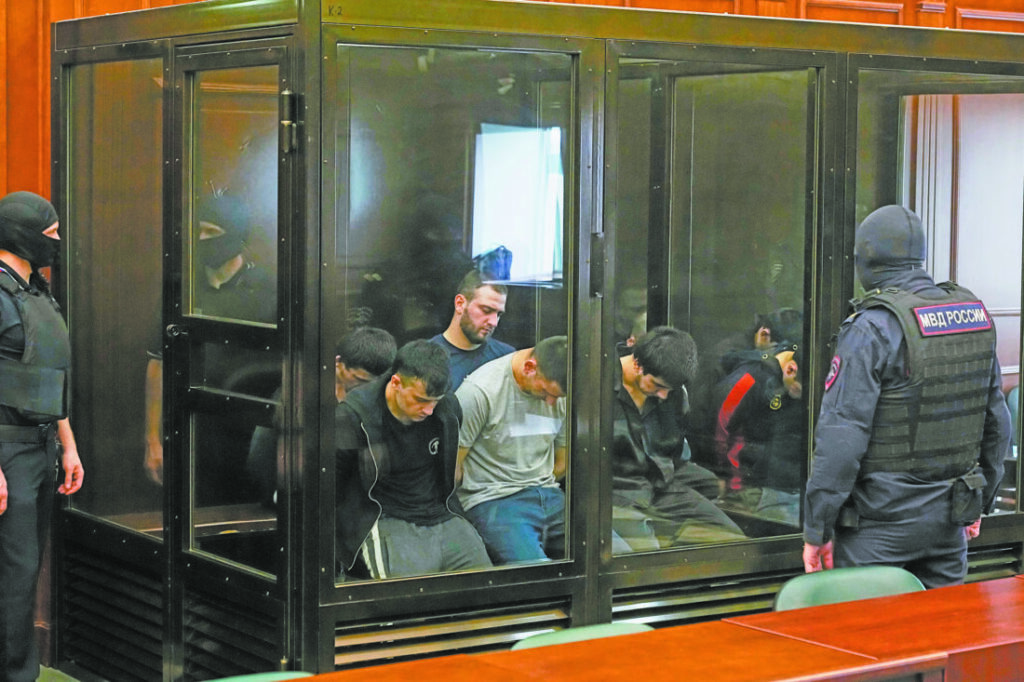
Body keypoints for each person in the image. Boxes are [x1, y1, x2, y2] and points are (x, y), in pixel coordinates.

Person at [803, 205, 1011, 588]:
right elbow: (997, 424)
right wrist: (980, 502)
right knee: (942, 627)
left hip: (877, 528)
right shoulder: (973, 318)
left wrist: (817, 528)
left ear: (866, 261)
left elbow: (841, 439)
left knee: (864, 628)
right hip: (949, 523)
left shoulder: (870, 328)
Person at [0, 191, 84, 682]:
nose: (57, 241)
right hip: (6, 451)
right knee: (13, 575)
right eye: (50, 233)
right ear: (21, 234)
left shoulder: (36, 291)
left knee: (24, 571)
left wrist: (68, 445)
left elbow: (50, 379)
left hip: (41, 445)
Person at [144, 194, 276, 486]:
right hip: (192, 428)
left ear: (236, 235)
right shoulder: (183, 288)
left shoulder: (267, 289)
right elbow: (158, 362)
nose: (202, 239)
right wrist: (152, 439)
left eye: (212, 232)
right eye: (198, 231)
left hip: (251, 430)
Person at [335, 340, 491, 579]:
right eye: (420, 400)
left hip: (441, 511)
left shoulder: (447, 410)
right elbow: (332, 483)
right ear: (396, 383)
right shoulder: (355, 416)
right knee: (406, 593)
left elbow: (449, 471)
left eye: (435, 400)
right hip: (383, 514)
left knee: (486, 586)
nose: (428, 410)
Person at [612, 327, 746, 552]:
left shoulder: (672, 393)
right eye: (658, 386)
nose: (663, 395)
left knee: (732, 538)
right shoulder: (598, 384)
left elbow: (672, 449)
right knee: (645, 554)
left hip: (658, 480)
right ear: (637, 364)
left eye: (670, 390)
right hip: (617, 487)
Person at [247, 328, 397, 506]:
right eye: (359, 379)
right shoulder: (300, 393)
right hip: (295, 490)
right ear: (337, 363)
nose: (365, 389)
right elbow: (267, 457)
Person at [455, 336, 568, 564]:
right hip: (495, 499)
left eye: (557, 397)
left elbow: (562, 461)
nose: (550, 402)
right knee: (535, 573)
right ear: (529, 368)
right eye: (546, 392)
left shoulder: (560, 395)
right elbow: (454, 467)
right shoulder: (479, 392)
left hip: (549, 493)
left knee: (613, 556)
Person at [712, 341, 804, 525]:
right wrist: (727, 477)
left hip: (767, 478)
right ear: (791, 369)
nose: (795, 393)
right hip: (744, 483)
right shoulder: (749, 380)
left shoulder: (776, 378)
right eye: (797, 388)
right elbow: (721, 427)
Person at [430, 269, 514, 392]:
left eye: (498, 314)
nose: (494, 322)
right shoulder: (428, 358)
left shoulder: (506, 358)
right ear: (460, 304)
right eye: (486, 310)